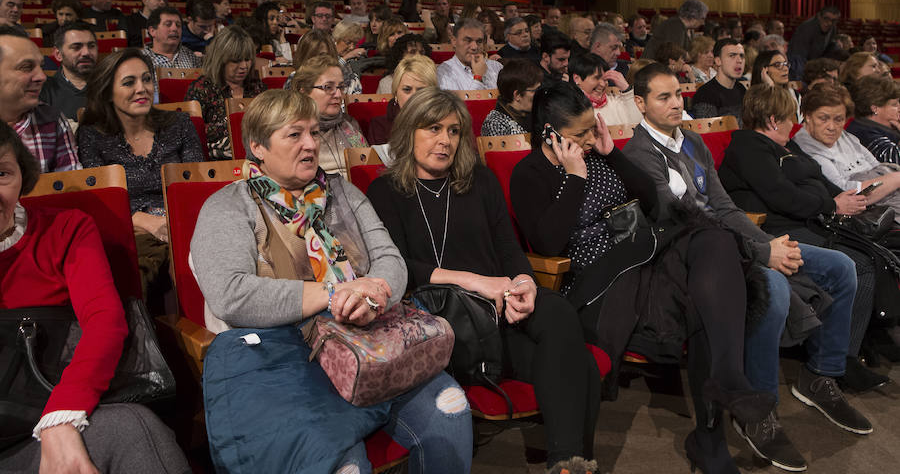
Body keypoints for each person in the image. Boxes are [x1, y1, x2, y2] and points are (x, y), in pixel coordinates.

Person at [189, 90, 472, 474]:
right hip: (282, 357)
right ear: (257, 145)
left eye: (314, 133)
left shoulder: (341, 192)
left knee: (450, 407)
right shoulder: (227, 206)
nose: (310, 144)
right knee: (340, 464)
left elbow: (390, 261)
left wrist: (373, 296)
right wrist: (337, 293)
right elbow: (231, 295)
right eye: (294, 135)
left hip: (367, 341)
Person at [509, 80, 774, 473]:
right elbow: (547, 243)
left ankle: (726, 388)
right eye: (578, 134)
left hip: (647, 250)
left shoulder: (598, 155)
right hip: (602, 276)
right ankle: (711, 438)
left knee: (715, 242)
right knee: (703, 299)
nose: (586, 139)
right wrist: (575, 176)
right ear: (548, 133)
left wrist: (610, 152)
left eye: (590, 128)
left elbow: (651, 201)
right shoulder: (529, 173)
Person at [624, 69, 871, 471]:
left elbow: (723, 208)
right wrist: (761, 254)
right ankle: (759, 412)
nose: (675, 103)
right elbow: (682, 223)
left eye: (677, 95)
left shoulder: (694, 142)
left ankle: (821, 375)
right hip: (690, 257)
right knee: (771, 286)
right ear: (640, 104)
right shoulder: (638, 155)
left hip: (735, 242)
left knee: (842, 267)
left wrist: (764, 245)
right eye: (662, 97)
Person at [367, 87, 602, 468]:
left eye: (454, 131)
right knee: (581, 368)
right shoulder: (386, 190)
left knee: (555, 310)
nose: (445, 140)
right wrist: (476, 281)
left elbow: (509, 249)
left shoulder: (479, 181)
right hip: (444, 325)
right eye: (433, 129)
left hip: (500, 312)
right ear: (409, 131)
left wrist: (524, 283)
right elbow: (397, 267)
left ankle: (565, 462)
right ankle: (572, 461)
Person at [0, 122, 191, 474]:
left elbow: (105, 319)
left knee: (134, 429)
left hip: (54, 401)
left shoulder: (66, 229)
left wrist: (61, 416)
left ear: (21, 176)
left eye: (2, 173)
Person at [720, 84, 896, 379]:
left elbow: (815, 183)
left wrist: (840, 200)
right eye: (791, 116)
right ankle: (838, 360)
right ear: (775, 119)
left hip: (808, 221)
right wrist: (831, 204)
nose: (795, 123)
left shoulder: (782, 148)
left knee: (874, 253)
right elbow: (781, 195)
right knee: (860, 264)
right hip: (777, 232)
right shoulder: (748, 145)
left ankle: (860, 343)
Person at [77, 49, 204, 303]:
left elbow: (194, 186)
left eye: (146, 79)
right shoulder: (92, 135)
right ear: (107, 92)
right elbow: (100, 202)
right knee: (141, 265)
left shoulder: (179, 124)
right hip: (128, 226)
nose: (142, 88)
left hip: (182, 220)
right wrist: (145, 221)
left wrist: (174, 221)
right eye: (129, 82)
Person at [792, 84, 900, 224]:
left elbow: (877, 166)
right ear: (807, 117)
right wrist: (895, 179)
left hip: (888, 197)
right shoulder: (803, 149)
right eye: (823, 118)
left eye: (838, 119)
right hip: (865, 215)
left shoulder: (844, 136)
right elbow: (845, 191)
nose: (832, 127)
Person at [0, 25, 79, 172]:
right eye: (26, 67)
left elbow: (71, 188)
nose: (42, 77)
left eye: (41, 67)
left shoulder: (52, 120)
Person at [185, 26, 267, 159]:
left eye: (247, 59)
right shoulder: (202, 88)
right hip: (215, 162)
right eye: (236, 60)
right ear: (221, 60)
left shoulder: (258, 88)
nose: (244, 66)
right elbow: (191, 132)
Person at [289, 54, 368, 178]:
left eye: (341, 87)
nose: (338, 94)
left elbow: (367, 166)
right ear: (303, 91)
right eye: (328, 87)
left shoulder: (349, 124)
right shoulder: (292, 130)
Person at [369, 54, 438, 145]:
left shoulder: (445, 123)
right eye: (407, 90)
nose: (413, 97)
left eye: (421, 91)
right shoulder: (379, 126)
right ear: (396, 92)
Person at [39, 22, 97, 121]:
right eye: (76, 47)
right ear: (58, 54)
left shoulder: (110, 85)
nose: (86, 52)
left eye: (91, 46)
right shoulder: (43, 90)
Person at [569, 52, 641, 126]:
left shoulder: (615, 101)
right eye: (596, 78)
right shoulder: (568, 106)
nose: (603, 84)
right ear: (577, 79)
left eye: (605, 79)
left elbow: (638, 124)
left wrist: (627, 90)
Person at [690, 38, 746, 124]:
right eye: (732, 55)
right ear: (718, 61)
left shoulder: (741, 89)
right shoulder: (705, 94)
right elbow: (709, 132)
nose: (739, 61)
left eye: (741, 56)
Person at [480, 59, 542, 136]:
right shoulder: (496, 124)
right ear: (517, 95)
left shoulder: (538, 115)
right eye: (535, 90)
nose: (540, 94)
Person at [847, 76, 900, 164]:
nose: (899, 108)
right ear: (875, 109)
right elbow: (894, 159)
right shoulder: (863, 132)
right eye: (894, 104)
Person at [437, 19, 502, 91]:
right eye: (468, 40)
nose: (474, 47)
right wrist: (478, 77)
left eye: (479, 41)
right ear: (454, 41)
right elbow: (458, 102)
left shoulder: (496, 67)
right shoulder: (444, 72)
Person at [141, 7, 202, 73]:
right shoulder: (141, 59)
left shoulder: (192, 57)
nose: (174, 29)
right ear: (152, 31)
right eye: (168, 24)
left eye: (178, 25)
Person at [642, 0, 708, 60]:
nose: (703, 23)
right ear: (693, 16)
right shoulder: (674, 25)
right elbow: (674, 54)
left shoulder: (689, 29)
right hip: (651, 67)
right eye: (702, 18)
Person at [787, 6, 840, 77]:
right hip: (799, 68)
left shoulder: (833, 28)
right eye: (826, 18)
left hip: (815, 65)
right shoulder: (806, 29)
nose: (829, 23)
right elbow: (797, 57)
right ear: (819, 17)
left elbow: (829, 48)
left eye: (833, 21)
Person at [750, 49, 800, 121]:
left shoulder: (794, 95)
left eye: (786, 64)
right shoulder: (754, 98)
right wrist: (770, 87)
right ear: (764, 70)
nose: (785, 69)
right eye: (778, 65)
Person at [332, 19, 367, 95]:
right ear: (336, 39)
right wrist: (346, 57)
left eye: (354, 43)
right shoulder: (326, 54)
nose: (352, 47)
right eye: (348, 42)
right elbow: (330, 74)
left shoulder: (350, 60)